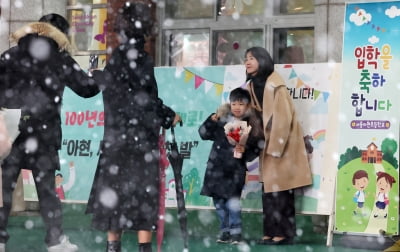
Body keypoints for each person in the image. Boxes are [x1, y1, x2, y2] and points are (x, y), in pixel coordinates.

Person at [85, 2, 181, 252]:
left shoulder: (115, 60)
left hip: (115, 141)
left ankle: (112, 246)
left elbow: (118, 95)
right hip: (140, 143)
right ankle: (143, 249)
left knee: (113, 197)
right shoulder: (143, 60)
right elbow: (147, 100)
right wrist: (169, 115)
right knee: (142, 198)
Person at [0, 13, 99, 252]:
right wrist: (97, 76)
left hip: (12, 133)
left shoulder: (11, 54)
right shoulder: (60, 58)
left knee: (4, 189)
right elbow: (87, 89)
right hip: (44, 132)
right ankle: (55, 241)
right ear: (60, 34)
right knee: (46, 191)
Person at [244, 47, 312, 245]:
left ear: (262, 60)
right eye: (246, 59)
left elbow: (283, 118)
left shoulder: (275, 85)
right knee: (269, 191)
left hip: (282, 144)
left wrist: (275, 145)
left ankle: (283, 233)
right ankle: (271, 231)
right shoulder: (252, 85)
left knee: (281, 191)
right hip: (266, 143)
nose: (247, 62)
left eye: (252, 58)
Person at [198, 88, 263, 245]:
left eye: (241, 104)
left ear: (248, 106)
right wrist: (212, 119)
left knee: (233, 202)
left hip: (235, 170)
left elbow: (256, 149)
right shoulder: (221, 119)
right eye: (234, 103)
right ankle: (225, 231)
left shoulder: (251, 124)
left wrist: (244, 148)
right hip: (216, 169)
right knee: (219, 203)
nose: (237, 107)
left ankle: (236, 233)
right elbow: (203, 133)